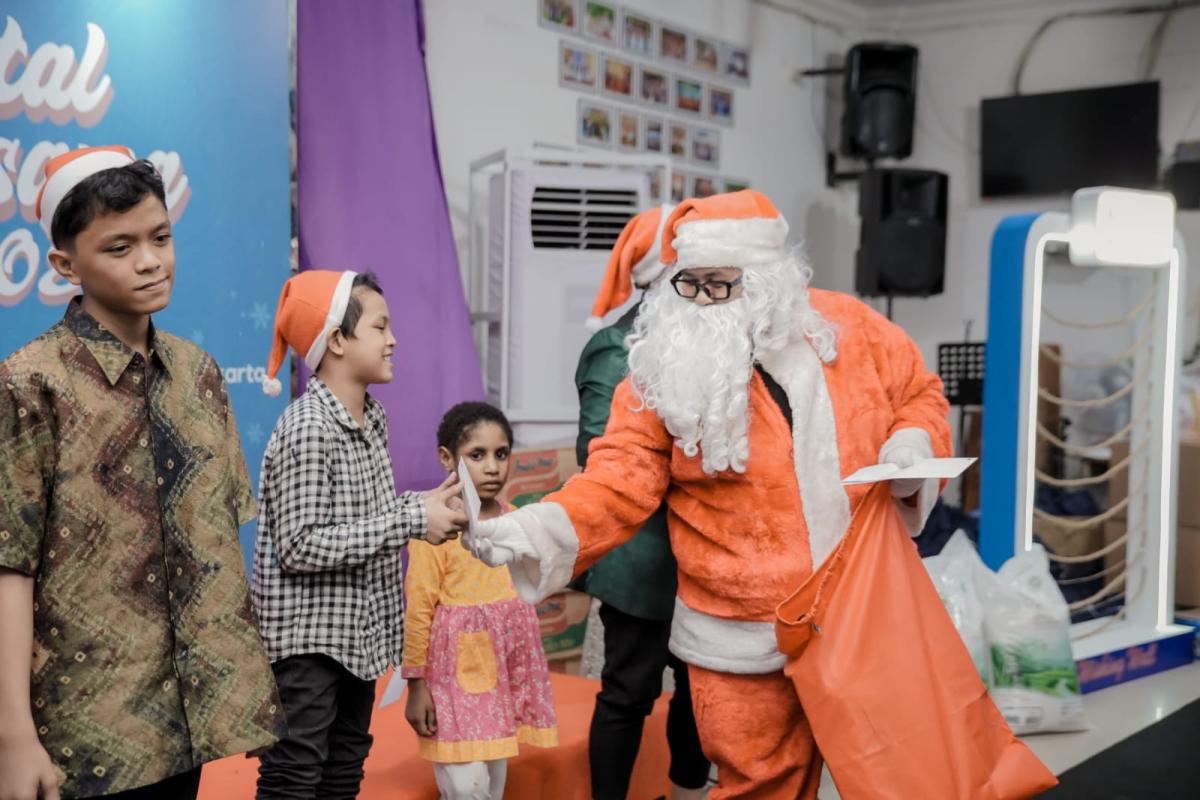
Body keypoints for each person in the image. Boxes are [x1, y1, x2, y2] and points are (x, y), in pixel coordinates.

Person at [467, 190, 953, 799]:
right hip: (736, 634)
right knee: (755, 785)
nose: (699, 302)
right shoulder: (656, 365)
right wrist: (535, 528)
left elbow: (919, 394)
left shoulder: (849, 331)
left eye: (718, 286)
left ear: (768, 282)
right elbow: (617, 477)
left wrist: (909, 448)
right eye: (686, 284)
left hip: (860, 611)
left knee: (897, 777)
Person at [0, 146, 284, 800]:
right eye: (120, 247)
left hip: (190, 718)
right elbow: (9, 565)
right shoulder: (30, 383)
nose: (151, 260)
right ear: (66, 265)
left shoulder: (199, 375)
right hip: (82, 727)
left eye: (160, 237)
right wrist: (13, 734)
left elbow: (218, 545)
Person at [252, 270, 467, 799]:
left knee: (345, 767)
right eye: (380, 326)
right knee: (294, 774)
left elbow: (361, 521)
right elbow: (300, 545)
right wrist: (412, 519)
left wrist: (421, 507)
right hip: (307, 644)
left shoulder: (373, 419)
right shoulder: (308, 426)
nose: (393, 340)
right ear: (338, 339)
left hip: (356, 639)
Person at [574, 206, 710, 800]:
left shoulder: (709, 341)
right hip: (642, 560)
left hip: (704, 554)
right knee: (628, 693)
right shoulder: (614, 348)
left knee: (702, 690)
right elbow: (597, 450)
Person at [402, 402, 557, 800]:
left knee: (492, 784)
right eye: (477, 455)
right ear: (446, 459)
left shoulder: (516, 519)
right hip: (454, 680)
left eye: (500, 454)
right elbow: (418, 607)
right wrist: (416, 686)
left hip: (500, 680)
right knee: (467, 789)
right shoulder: (437, 526)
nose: (492, 467)